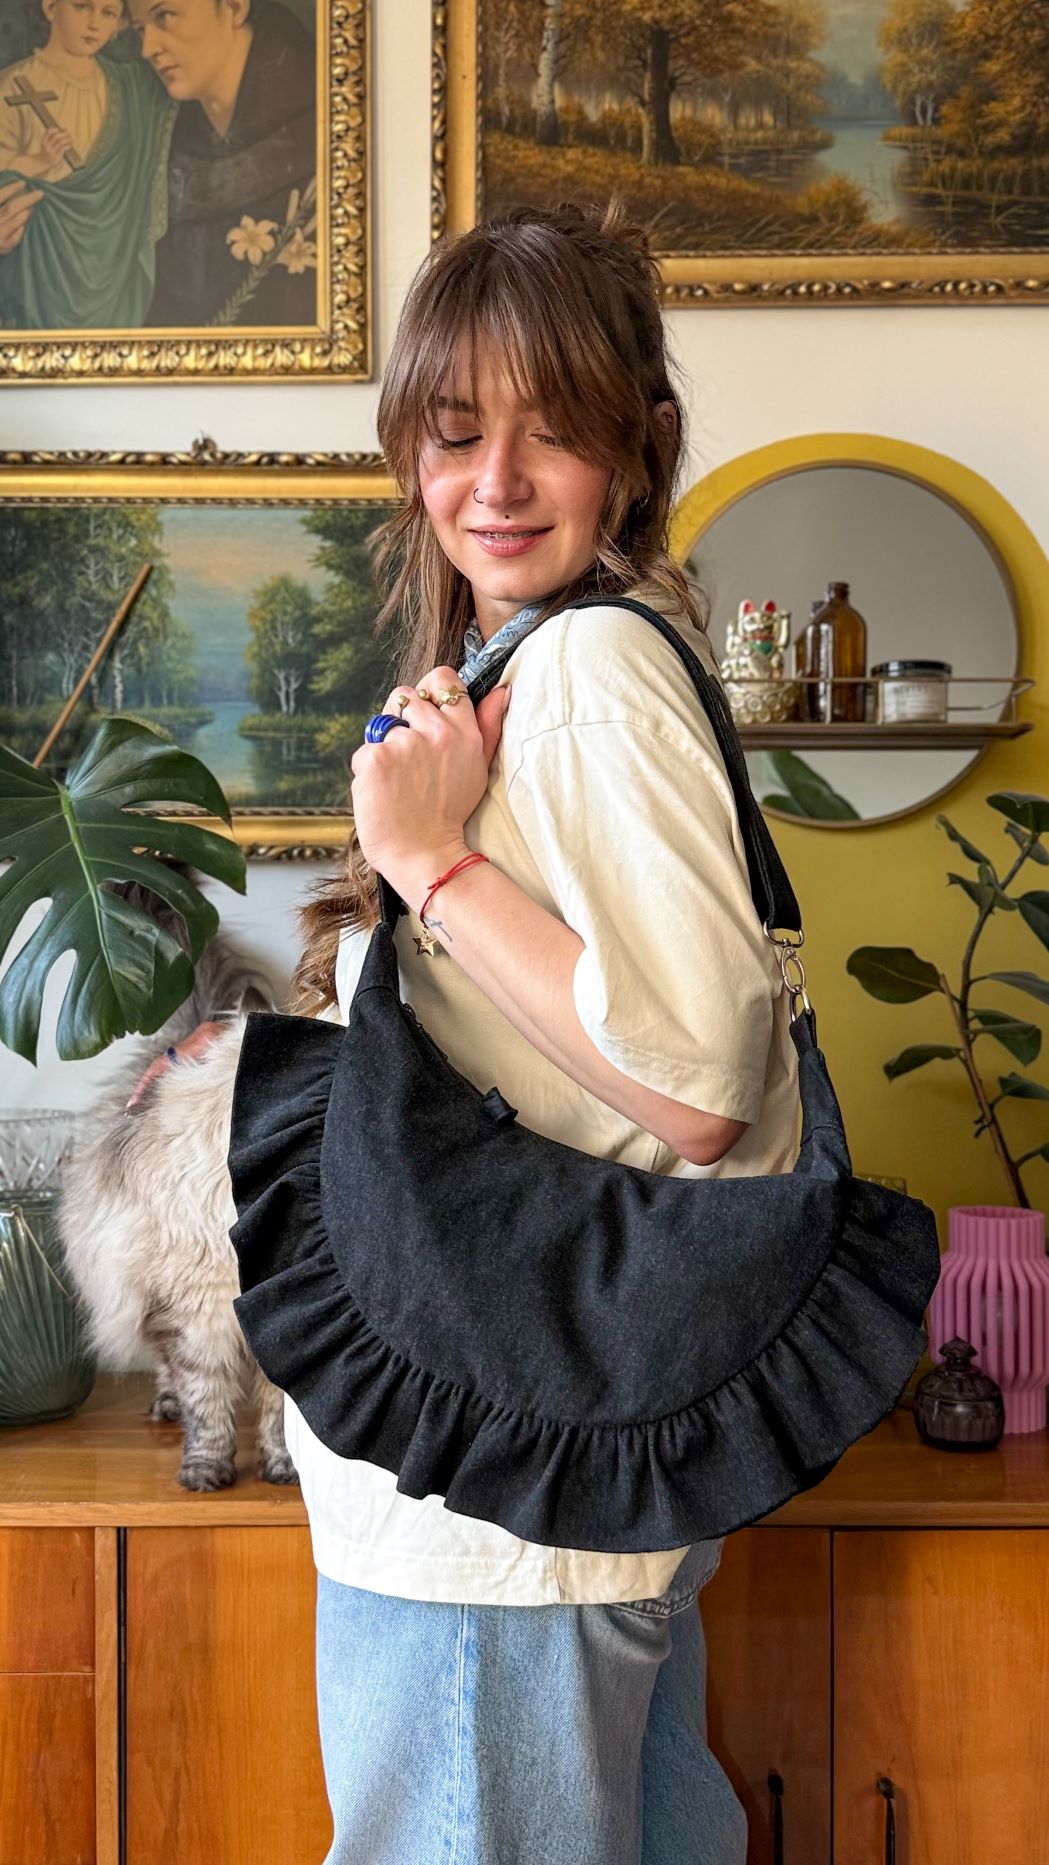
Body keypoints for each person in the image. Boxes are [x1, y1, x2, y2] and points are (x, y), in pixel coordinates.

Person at [147, 199, 798, 1862]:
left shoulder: (582, 676)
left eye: (550, 429)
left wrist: (426, 862)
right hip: (540, 1466)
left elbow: (692, 1084)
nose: (493, 482)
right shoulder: (550, 661)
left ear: (634, 452)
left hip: (495, 1510)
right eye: (453, 434)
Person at [130, 0, 316, 328]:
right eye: (140, 29)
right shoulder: (167, 140)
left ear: (234, 7)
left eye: (165, 16)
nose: (148, 49)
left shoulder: (317, 123)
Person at [0, 0, 175, 326]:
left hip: (109, 261)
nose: (95, 23)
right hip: (40, 264)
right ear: (50, 8)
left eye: (108, 13)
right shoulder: (14, 83)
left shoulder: (128, 88)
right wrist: (38, 161)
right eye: (82, 7)